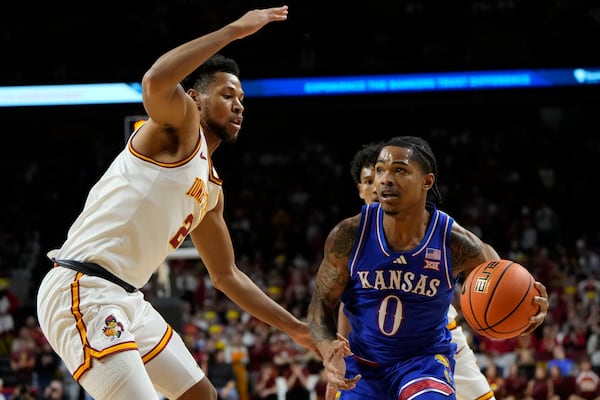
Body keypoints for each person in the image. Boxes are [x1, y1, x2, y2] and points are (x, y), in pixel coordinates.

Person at [36, 6, 317, 400]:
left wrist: (297, 329)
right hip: (83, 288)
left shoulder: (212, 189)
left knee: (201, 396)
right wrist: (233, 31)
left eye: (242, 98)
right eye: (227, 94)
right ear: (194, 99)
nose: (239, 105)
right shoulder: (180, 128)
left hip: (127, 298)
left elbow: (227, 276)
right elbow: (154, 81)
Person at [306, 136, 549, 399]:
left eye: (399, 170)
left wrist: (530, 313)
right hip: (364, 365)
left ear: (427, 181)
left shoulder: (457, 243)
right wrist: (328, 348)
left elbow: (505, 291)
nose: (385, 179)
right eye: (380, 170)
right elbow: (321, 303)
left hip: (424, 363)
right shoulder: (348, 236)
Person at [335, 140, 497, 400]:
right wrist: (338, 355)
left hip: (435, 338)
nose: (379, 186)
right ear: (360, 189)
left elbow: (486, 260)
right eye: (370, 180)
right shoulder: (355, 235)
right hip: (375, 350)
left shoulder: (432, 228)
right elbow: (347, 303)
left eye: (395, 172)